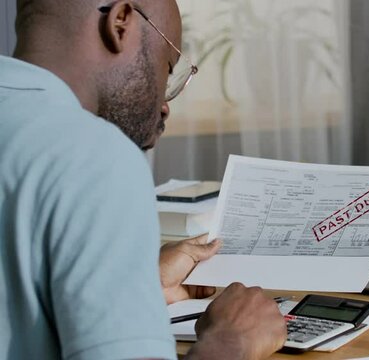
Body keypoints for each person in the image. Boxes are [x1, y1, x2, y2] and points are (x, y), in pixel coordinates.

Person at [0, 0, 286, 359]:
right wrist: (232, 340)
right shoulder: (95, 154)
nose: (164, 103)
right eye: (167, 69)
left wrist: (136, 284)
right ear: (120, 23)